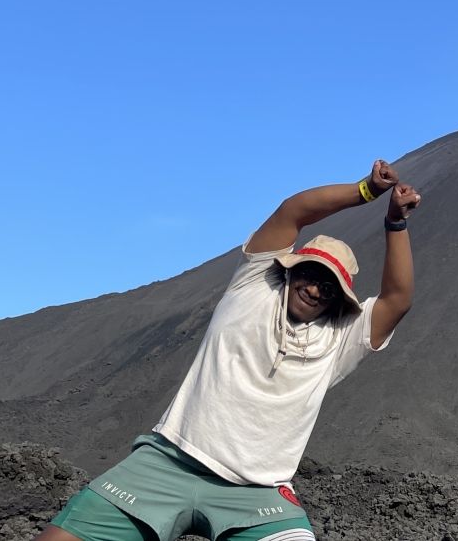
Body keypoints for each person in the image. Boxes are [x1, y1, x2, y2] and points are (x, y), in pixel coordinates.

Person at [23, 159, 421, 541]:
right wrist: (366, 190)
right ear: (290, 270)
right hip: (168, 461)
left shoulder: (340, 337)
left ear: (339, 299)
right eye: (311, 274)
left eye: (329, 287)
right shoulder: (255, 283)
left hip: (259, 492)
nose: (315, 289)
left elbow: (397, 299)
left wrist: (396, 222)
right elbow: (293, 212)